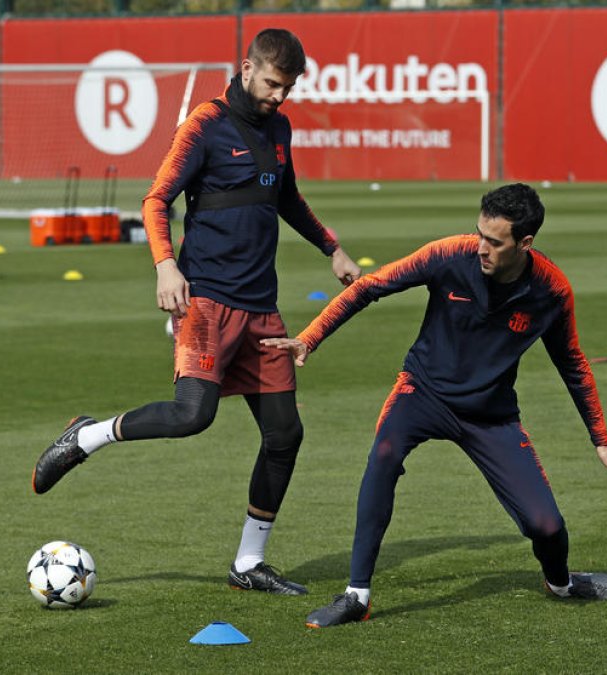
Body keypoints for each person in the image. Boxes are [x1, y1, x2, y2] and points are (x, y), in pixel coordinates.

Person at [32, 28, 361, 596]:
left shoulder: (279, 127)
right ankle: (89, 435)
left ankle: (248, 563)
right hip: (206, 299)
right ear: (246, 68)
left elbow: (287, 198)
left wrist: (332, 247)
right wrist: (165, 265)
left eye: (289, 88)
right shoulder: (204, 125)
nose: (280, 97)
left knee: (285, 434)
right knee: (192, 416)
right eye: (272, 84)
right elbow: (156, 198)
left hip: (261, 308)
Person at [262, 183, 607, 628]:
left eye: (495, 242)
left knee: (546, 527)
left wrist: (602, 442)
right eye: (479, 233)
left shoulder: (551, 291)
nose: (481, 247)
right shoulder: (448, 254)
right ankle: (356, 595)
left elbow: (572, 364)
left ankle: (561, 584)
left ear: (525, 243)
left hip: (491, 415)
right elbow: (370, 287)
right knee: (382, 458)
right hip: (422, 393)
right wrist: (310, 337)